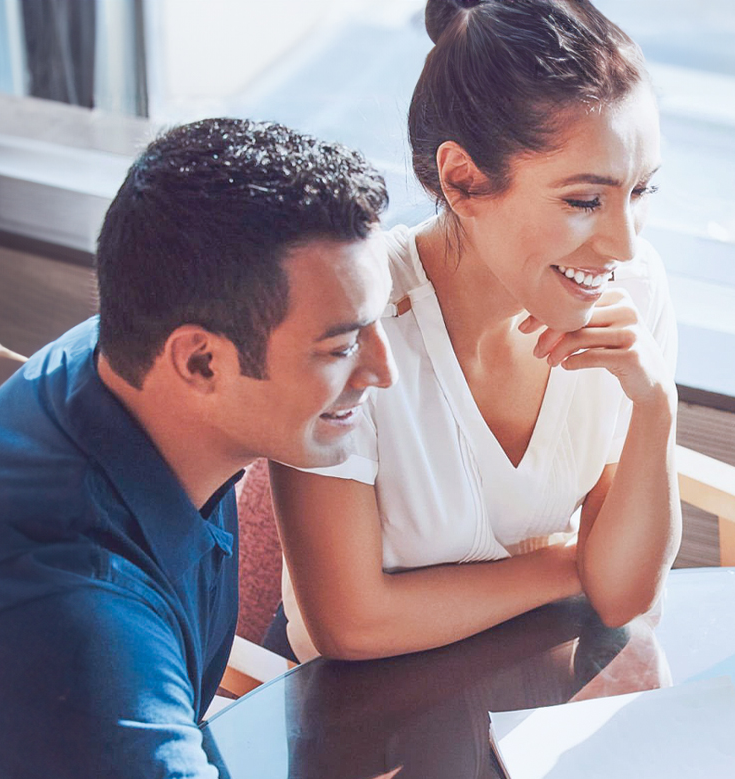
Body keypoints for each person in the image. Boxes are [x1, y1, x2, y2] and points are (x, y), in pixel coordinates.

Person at [0, 118, 735, 779]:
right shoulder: (73, 631)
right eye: (340, 345)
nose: (383, 369)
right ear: (201, 360)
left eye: (377, 326)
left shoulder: (123, 359)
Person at [268, 0, 679, 663]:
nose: (625, 245)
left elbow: (624, 596)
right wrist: (577, 565)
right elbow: (351, 624)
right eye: (584, 201)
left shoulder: (634, 290)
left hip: (521, 683)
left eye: (641, 192)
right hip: (350, 710)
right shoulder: (352, 318)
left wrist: (656, 406)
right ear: (462, 179)